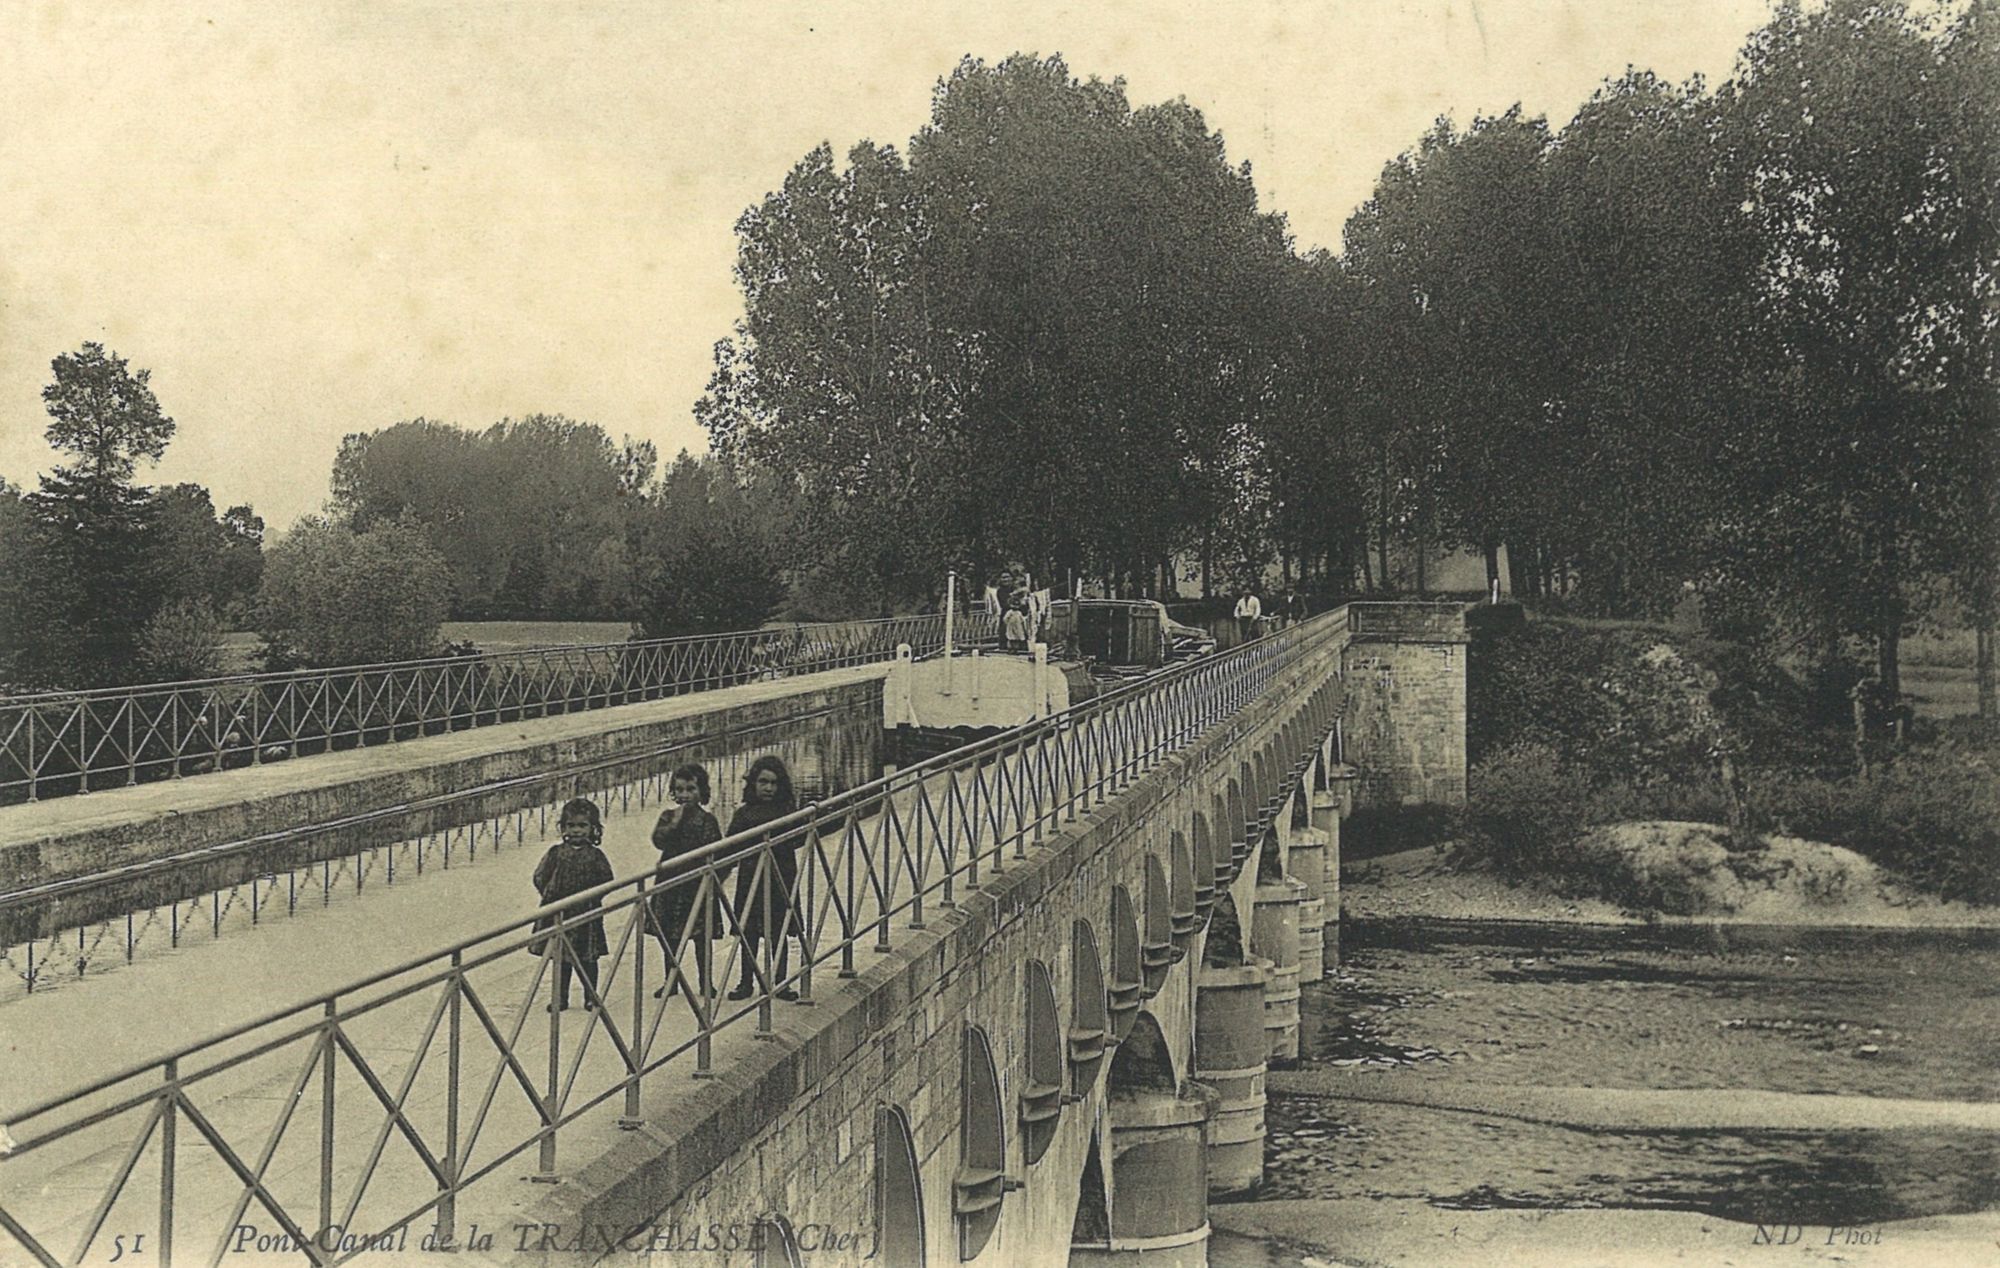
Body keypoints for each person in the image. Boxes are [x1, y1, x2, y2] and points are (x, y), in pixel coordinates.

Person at [530, 798, 616, 1012]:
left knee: (588, 957)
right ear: (563, 827)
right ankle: (560, 998)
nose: (576, 830)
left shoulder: (595, 855)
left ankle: (591, 996)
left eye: (582, 825)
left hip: (586, 913)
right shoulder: (556, 853)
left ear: (593, 828)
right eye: (571, 825)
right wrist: (551, 896)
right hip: (560, 913)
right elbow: (540, 876)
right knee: (561, 958)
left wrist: (592, 898)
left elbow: (607, 879)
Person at [648, 763, 724, 999]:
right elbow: (658, 840)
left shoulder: (707, 820)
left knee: (701, 936)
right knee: (669, 934)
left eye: (691, 789)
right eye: (679, 790)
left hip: (697, 884)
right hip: (671, 882)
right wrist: (673, 824)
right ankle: (671, 979)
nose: (685, 795)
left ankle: (705, 981)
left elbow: (715, 848)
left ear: (701, 792)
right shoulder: (668, 816)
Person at [728, 755, 800, 1001]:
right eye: (763, 782)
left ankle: (780, 982)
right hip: (752, 879)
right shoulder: (743, 814)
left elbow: (799, 837)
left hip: (781, 878)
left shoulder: (786, 812)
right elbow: (731, 845)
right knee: (748, 931)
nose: (768, 788)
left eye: (774, 783)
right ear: (753, 784)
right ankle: (746, 982)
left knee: (778, 930)